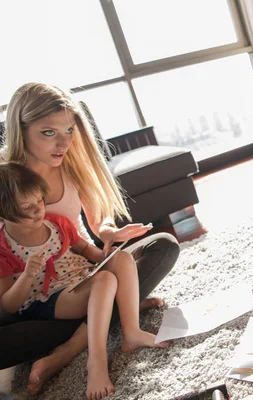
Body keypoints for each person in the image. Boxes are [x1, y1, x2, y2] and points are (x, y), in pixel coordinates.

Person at [0, 82, 180, 394]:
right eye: (48, 132)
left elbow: (99, 223)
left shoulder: (71, 165)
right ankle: (121, 310)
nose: (63, 142)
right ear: (21, 128)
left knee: (162, 247)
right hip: (31, 291)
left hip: (84, 273)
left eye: (69, 130)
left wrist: (111, 233)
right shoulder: (5, 180)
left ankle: (69, 348)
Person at [0, 162, 170, 399]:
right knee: (105, 281)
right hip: (50, 298)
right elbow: (9, 306)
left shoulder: (56, 223)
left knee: (120, 260)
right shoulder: (4, 248)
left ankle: (132, 332)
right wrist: (28, 275)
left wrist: (112, 251)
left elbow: (91, 253)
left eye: (39, 200)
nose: (38, 210)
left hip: (84, 278)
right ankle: (96, 363)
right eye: (27, 206)